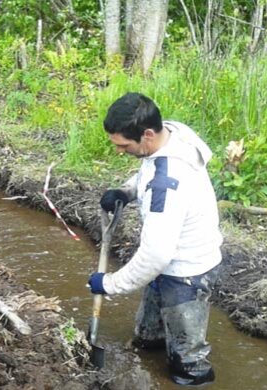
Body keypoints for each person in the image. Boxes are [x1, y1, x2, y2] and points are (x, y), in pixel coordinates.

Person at [87, 92, 223, 386]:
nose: (119, 151)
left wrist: (108, 284)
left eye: (124, 145)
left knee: (188, 366)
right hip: (166, 263)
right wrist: (127, 191)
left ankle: (194, 375)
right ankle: (156, 345)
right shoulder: (172, 134)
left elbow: (156, 256)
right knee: (147, 340)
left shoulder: (167, 187)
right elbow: (151, 169)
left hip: (187, 271)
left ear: (147, 134)